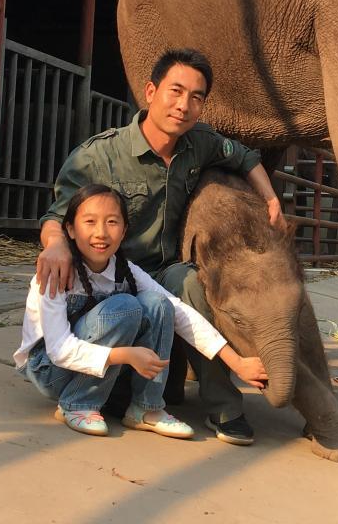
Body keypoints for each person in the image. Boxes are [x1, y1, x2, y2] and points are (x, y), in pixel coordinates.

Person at [36, 48, 285, 446]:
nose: (184, 105)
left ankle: (223, 407)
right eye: (175, 91)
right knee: (129, 307)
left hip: (162, 271)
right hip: (111, 274)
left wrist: (271, 199)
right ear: (151, 92)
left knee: (191, 284)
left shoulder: (199, 143)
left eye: (196, 97)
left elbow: (245, 158)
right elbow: (58, 214)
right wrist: (56, 246)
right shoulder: (100, 155)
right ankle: (96, 393)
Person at [15, 183, 265, 438]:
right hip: (51, 371)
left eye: (112, 222)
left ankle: (146, 408)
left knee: (159, 304)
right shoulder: (55, 272)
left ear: (124, 231)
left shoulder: (126, 270)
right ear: (70, 229)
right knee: (125, 306)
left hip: (99, 364)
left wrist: (237, 362)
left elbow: (179, 312)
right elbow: (58, 350)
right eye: (89, 222)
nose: (101, 233)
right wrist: (125, 355)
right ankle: (78, 403)